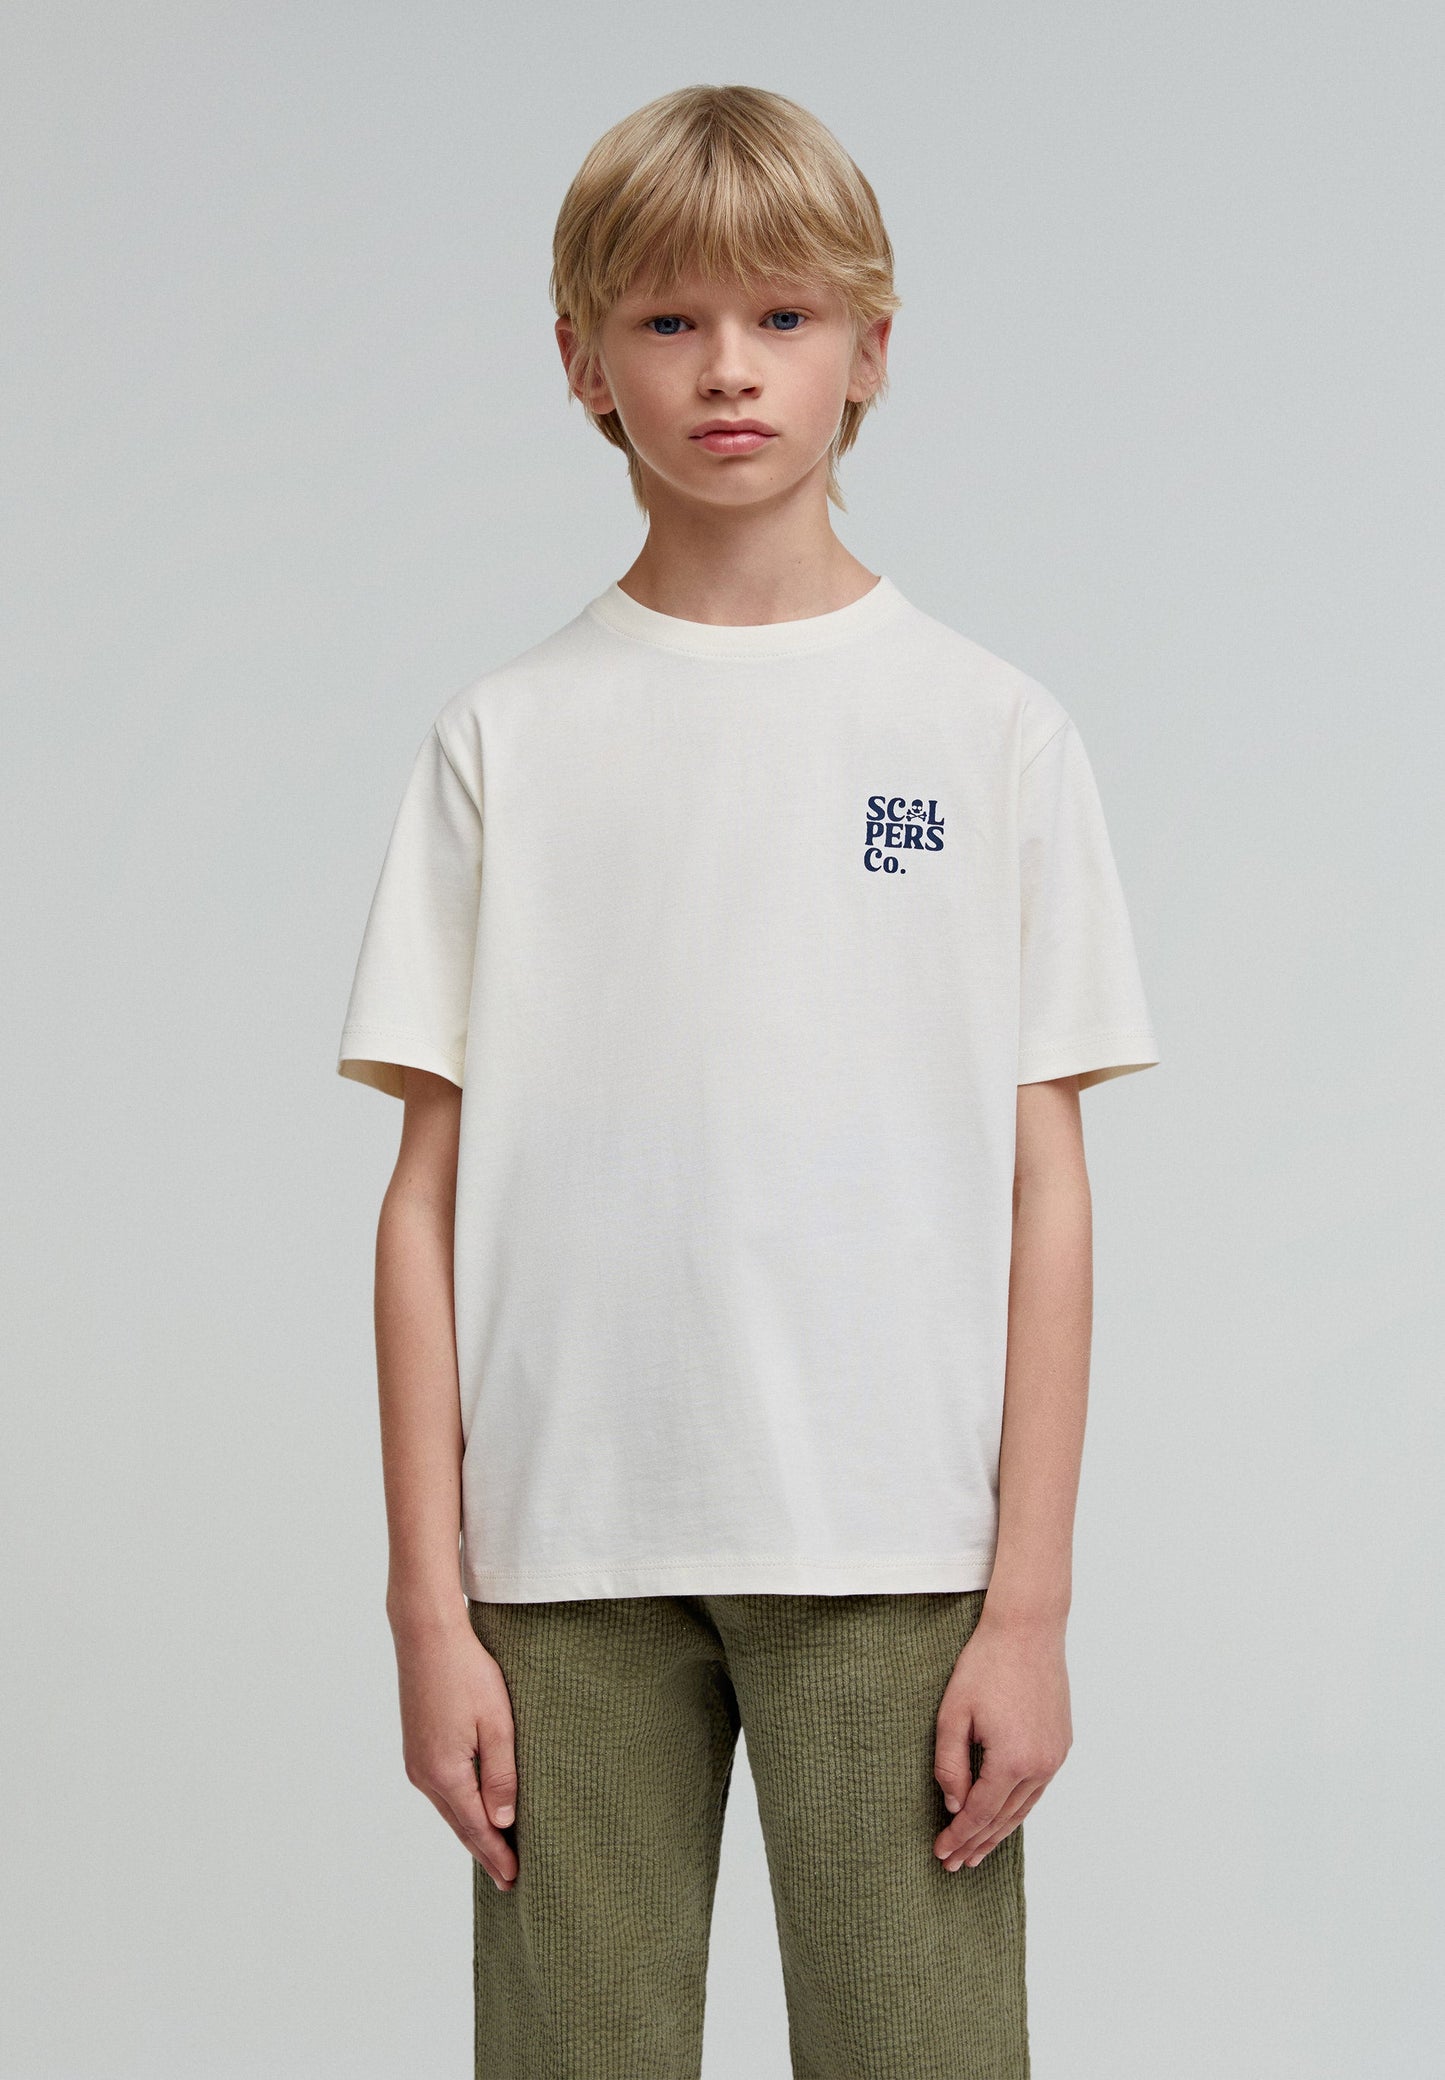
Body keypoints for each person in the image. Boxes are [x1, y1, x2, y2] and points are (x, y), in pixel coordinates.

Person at [336, 82, 1159, 2080]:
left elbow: (1047, 1189)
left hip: (895, 1552)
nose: (728, 369)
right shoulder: (505, 738)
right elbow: (425, 1199)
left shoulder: (988, 732)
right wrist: (430, 1609)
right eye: (670, 319)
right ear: (581, 361)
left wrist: (1027, 1607)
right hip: (564, 1556)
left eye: (784, 317)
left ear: (871, 348)